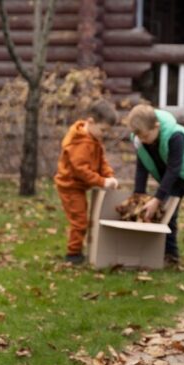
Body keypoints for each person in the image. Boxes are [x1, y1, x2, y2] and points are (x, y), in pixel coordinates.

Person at [125, 104, 184, 268]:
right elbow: (142, 167)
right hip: (171, 176)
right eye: (140, 138)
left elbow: (174, 168)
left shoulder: (175, 135)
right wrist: (138, 195)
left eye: (146, 136)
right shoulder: (141, 139)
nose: (144, 141)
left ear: (157, 127)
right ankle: (170, 255)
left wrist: (157, 198)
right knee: (167, 214)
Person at [54, 100, 121, 265]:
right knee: (80, 220)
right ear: (90, 122)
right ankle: (73, 254)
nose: (103, 134)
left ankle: (77, 250)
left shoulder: (94, 138)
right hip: (69, 187)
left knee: (83, 219)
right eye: (103, 130)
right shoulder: (80, 143)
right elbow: (81, 170)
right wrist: (102, 182)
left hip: (79, 186)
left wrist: (109, 176)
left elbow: (101, 161)